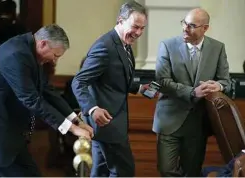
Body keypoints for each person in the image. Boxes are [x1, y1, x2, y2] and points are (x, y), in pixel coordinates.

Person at [0, 24, 94, 177]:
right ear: (43, 44)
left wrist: (77, 121)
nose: (54, 61)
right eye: (55, 55)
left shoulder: (29, 51)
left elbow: (48, 90)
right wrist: (72, 129)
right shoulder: (16, 54)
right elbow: (32, 100)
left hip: (14, 137)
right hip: (1, 134)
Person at [71, 1, 148, 177]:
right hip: (107, 124)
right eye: (135, 27)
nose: (138, 33)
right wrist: (92, 108)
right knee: (124, 171)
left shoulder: (125, 44)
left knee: (101, 171)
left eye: (142, 28)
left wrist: (139, 88)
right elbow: (79, 81)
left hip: (111, 123)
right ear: (120, 20)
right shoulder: (104, 47)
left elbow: (115, 79)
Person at [153, 8, 231, 176]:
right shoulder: (167, 45)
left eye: (192, 25)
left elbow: (226, 82)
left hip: (199, 123)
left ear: (205, 28)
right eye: (184, 23)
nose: (185, 28)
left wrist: (219, 86)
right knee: (167, 170)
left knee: (192, 172)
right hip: (169, 121)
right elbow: (162, 82)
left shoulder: (217, 48)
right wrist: (192, 92)